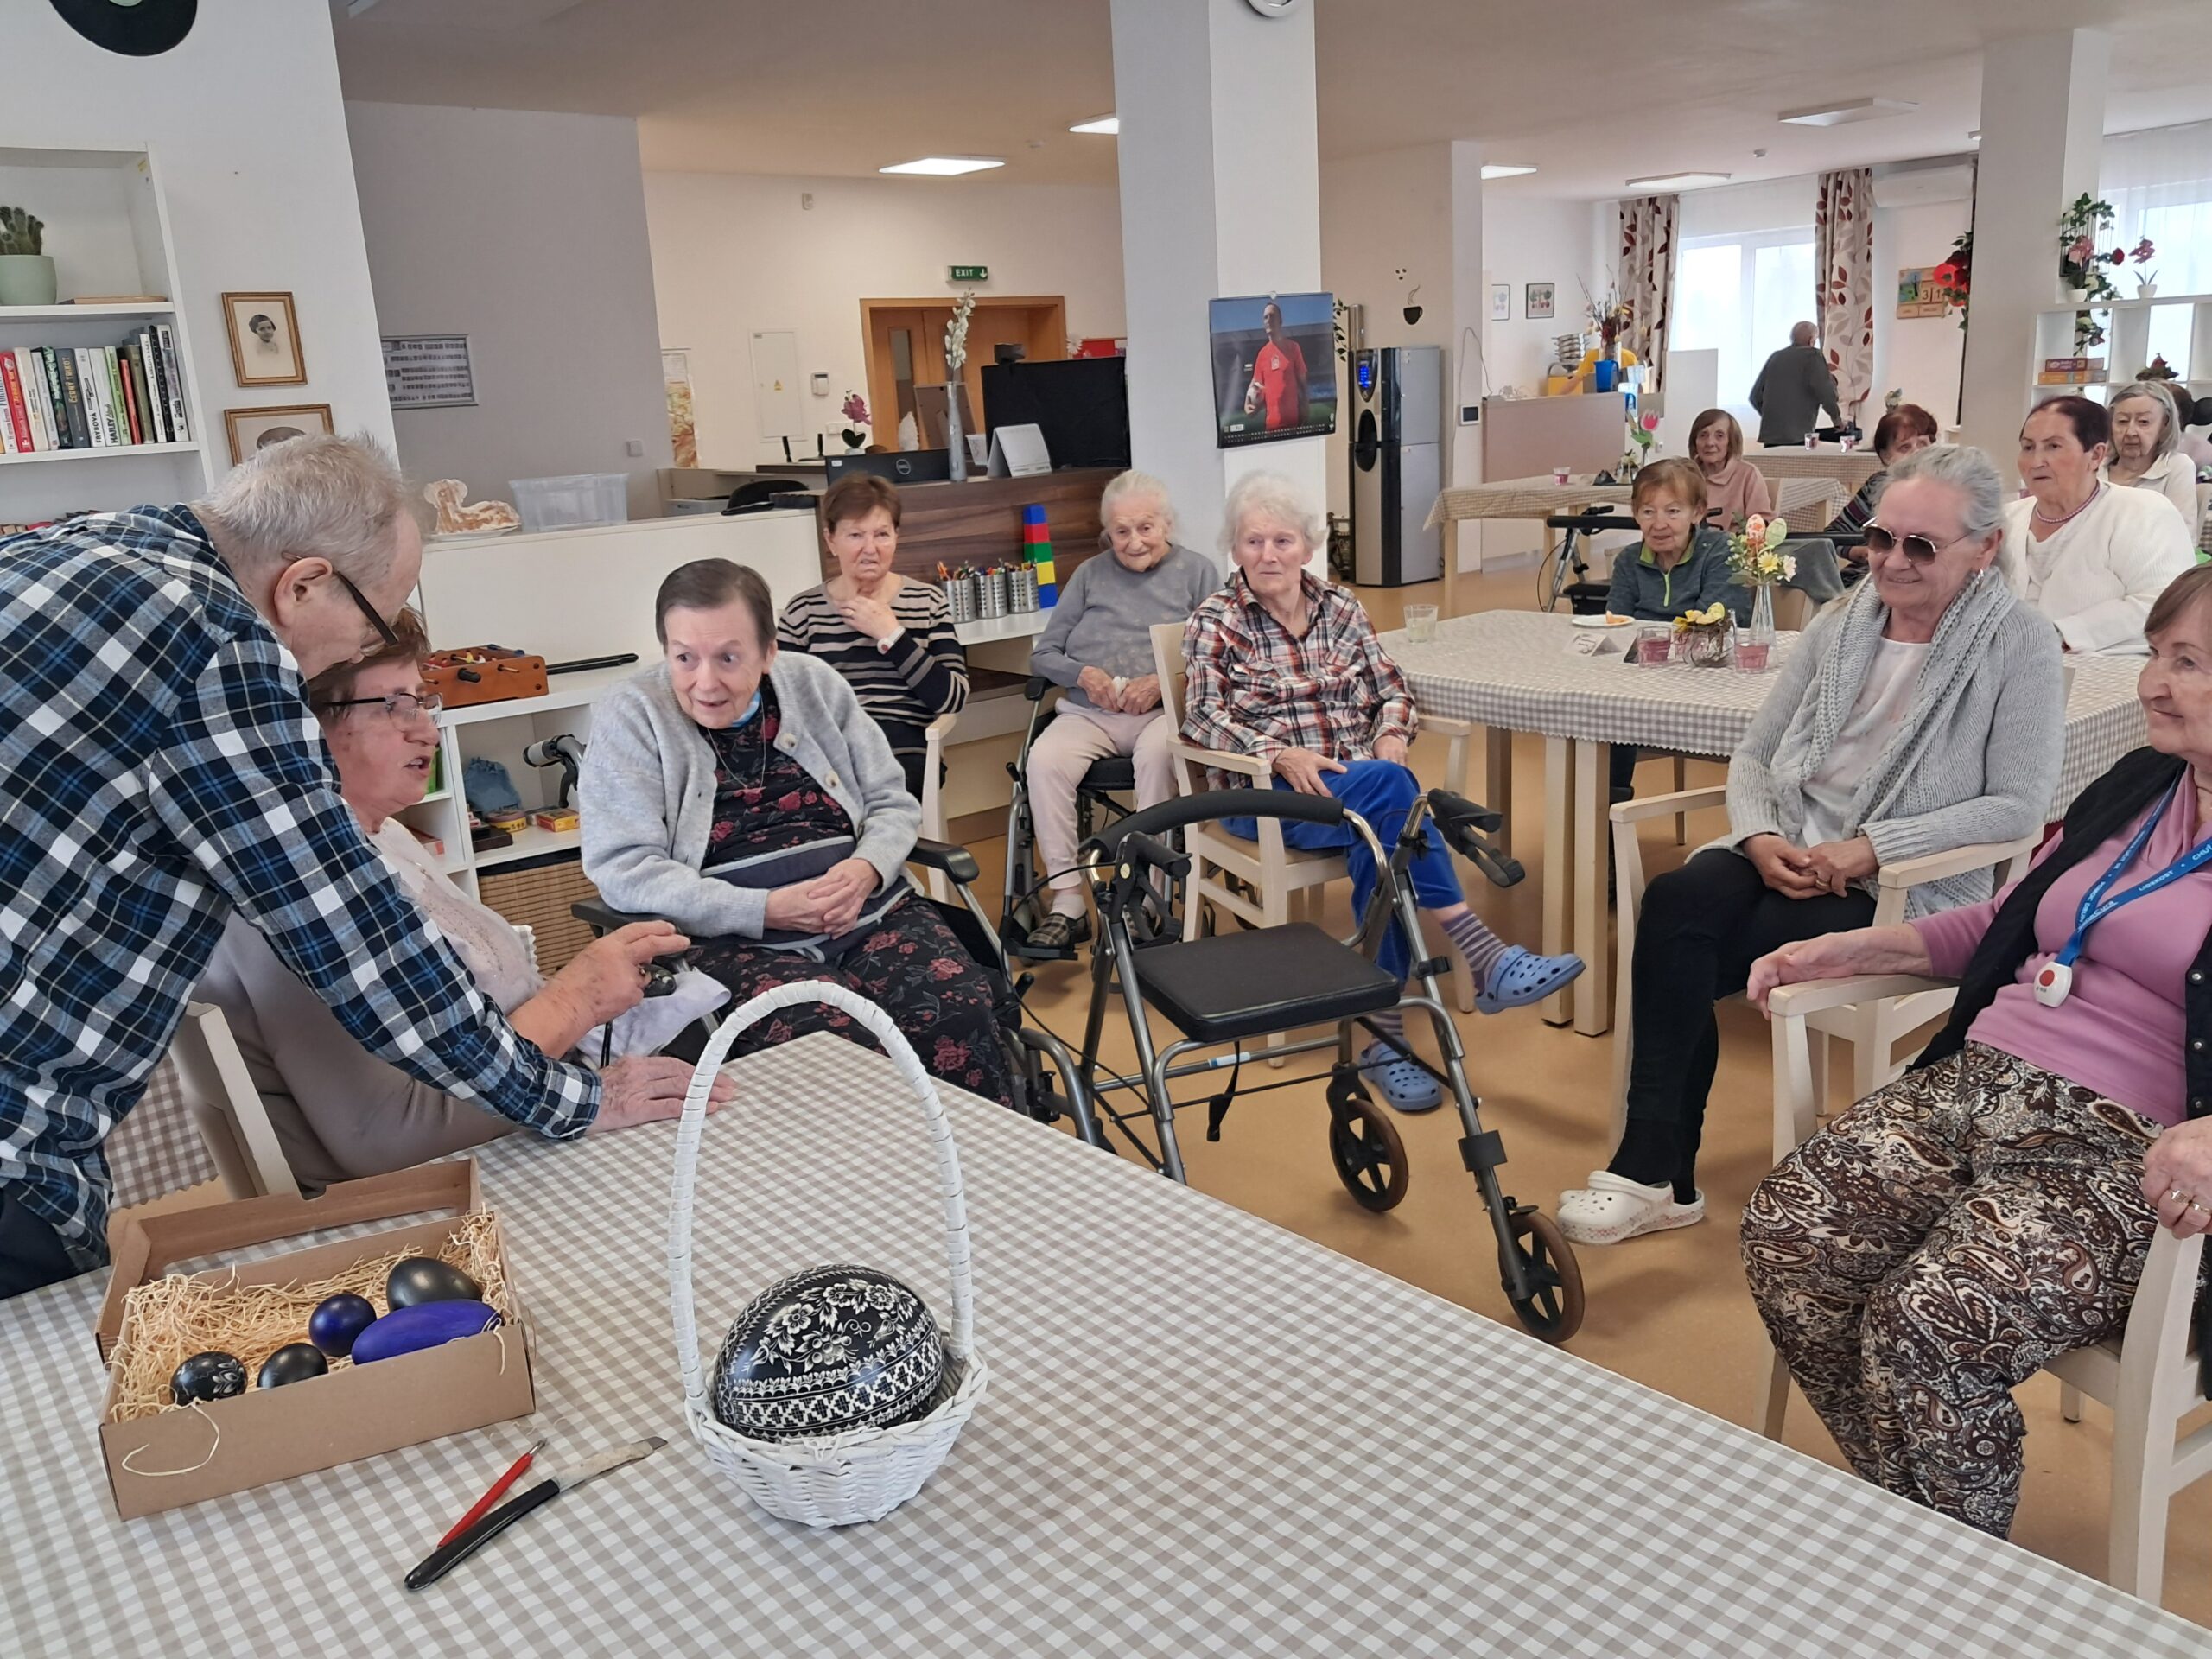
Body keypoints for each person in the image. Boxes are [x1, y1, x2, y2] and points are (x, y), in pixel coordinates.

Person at [0, 435, 690, 1300]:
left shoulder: (76, 548)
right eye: (369, 624)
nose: (343, 661)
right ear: (302, 585)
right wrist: (572, 1099)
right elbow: (363, 951)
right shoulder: (219, 643)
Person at [1742, 562, 2212, 1540]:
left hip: (2131, 1146)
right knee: (1789, 1238)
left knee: (1928, 1322)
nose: (2152, 684)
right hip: (1983, 1080)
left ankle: (1947, 1568)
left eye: (2189, 663)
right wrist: (1862, 947)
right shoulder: (2141, 782)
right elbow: (2013, 921)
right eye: (2157, 656)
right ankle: (1931, 1528)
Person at [1558, 444, 2064, 1246]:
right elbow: (1757, 754)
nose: (1892, 561)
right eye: (1882, 538)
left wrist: (1871, 849)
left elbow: (2017, 806)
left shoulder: (2019, 641)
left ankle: (1655, 1173)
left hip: (1901, 886)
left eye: (1921, 546)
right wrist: (1759, 835)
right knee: (1677, 898)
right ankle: (1656, 1173)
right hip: (1789, 845)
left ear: (1986, 547)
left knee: (1682, 953)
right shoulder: (1842, 619)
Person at [198, 613, 731, 1189]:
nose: (427, 733)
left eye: (422, 702)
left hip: (512, 1130)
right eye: (393, 706)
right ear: (298, 725)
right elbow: (389, 1133)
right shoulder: (291, 894)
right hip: (435, 1189)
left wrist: (582, 997)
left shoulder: (382, 836)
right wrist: (577, 1001)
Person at [1182, 472, 1583, 1114]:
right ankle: (1482, 955)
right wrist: (1279, 754)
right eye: (1253, 541)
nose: (1268, 555)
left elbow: (1391, 689)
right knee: (1394, 796)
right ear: (1235, 547)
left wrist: (1393, 732)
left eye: (1282, 540)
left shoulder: (1340, 607)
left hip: (1357, 792)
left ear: (1307, 545)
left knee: (1384, 835)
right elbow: (1202, 716)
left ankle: (1384, 1035)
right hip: (1270, 799)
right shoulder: (1217, 620)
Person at [583, 559, 1014, 1106]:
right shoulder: (634, 713)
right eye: (684, 657)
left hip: (869, 911)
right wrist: (763, 908)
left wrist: (867, 868)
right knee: (831, 1047)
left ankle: (983, 1158)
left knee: (957, 1009)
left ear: (769, 651)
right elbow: (624, 869)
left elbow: (890, 799)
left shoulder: (814, 683)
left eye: (729, 657)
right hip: (734, 942)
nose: (705, 682)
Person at [1021, 471, 1218, 950]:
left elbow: (1217, 656)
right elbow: (1043, 654)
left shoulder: (1198, 572)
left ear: (1167, 524)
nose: (1133, 542)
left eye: (1145, 528)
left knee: (1158, 758)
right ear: (1106, 532)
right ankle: (1068, 902)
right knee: (1044, 761)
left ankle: (1143, 899)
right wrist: (1083, 674)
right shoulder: (1089, 574)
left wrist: (1162, 684)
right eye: (1121, 531)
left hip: (1162, 714)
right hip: (1090, 713)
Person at [777, 472, 968, 798]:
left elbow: (953, 697)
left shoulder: (927, 602)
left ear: (896, 536)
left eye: (882, 534)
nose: (870, 549)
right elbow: (781, 703)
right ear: (831, 540)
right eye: (855, 535)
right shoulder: (803, 611)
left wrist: (892, 636)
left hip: (903, 748)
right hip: (828, 748)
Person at [2001, 396, 2194, 655]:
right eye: (2028, 447)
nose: (2036, 462)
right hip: (2011, 663)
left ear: (2095, 455)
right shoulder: (2007, 519)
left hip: (2111, 666)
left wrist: (2061, 635)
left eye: (2053, 446)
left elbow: (2165, 602)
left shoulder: (2142, 511)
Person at [1605, 458, 1750, 625]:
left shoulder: (1721, 551)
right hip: (1642, 642)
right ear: (1635, 514)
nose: (1659, 524)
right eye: (1648, 512)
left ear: (1697, 512)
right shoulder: (1628, 560)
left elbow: (1711, 625)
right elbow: (1617, 624)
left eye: (1672, 511)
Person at [1821, 403, 1940, 551]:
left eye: (1923, 444)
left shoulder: (1948, 488)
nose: (1916, 453)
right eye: (1905, 447)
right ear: (1886, 456)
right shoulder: (1877, 486)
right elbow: (1834, 535)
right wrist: (1855, 552)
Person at [2108, 380, 2202, 528]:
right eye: (2122, 421)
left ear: (2164, 426)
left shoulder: (2177, 467)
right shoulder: (2095, 467)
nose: (2130, 432)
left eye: (2143, 422)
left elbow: (2182, 534)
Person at [1748, 321, 1843, 448]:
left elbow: (1755, 397)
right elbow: (1826, 393)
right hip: (1798, 436)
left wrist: (1772, 417)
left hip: (1770, 436)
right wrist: (1837, 421)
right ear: (1811, 340)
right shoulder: (1813, 356)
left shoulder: (1776, 357)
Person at [1689, 408, 1774, 531]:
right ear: (1695, 442)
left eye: (1719, 436)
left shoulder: (1748, 474)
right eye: (1703, 435)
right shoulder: (1686, 476)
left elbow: (1762, 523)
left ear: (1731, 443)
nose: (1710, 443)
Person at [1242, 301, 1308, 433]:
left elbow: (1303, 381)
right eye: (1265, 317)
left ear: (1280, 321)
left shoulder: (1293, 348)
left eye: (1272, 316)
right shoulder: (1262, 354)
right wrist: (1247, 405)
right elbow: (1255, 383)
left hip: (1294, 426)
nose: (1269, 320)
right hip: (1271, 427)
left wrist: (1306, 405)